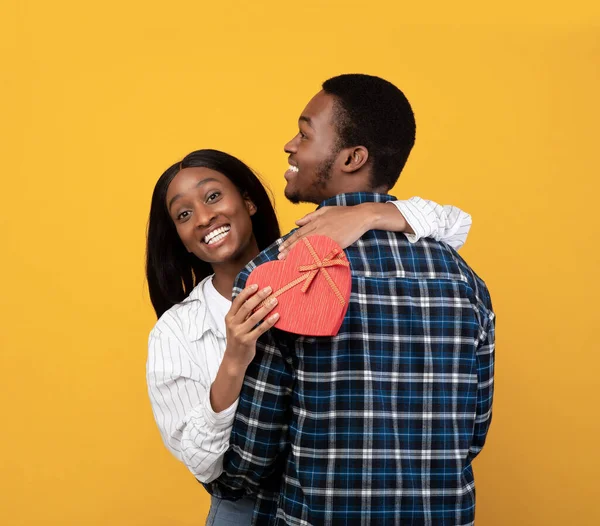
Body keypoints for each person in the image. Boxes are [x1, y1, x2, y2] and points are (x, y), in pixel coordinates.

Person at [206, 75, 495, 526]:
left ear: (352, 157)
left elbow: (258, 449)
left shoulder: (276, 273)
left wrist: (226, 481)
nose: (290, 145)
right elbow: (471, 434)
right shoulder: (466, 283)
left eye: (304, 133)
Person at [146, 150, 473, 525]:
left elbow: (455, 224)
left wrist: (369, 214)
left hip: (321, 499)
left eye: (213, 196)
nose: (204, 217)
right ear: (181, 239)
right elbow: (204, 465)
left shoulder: (315, 258)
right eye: (184, 214)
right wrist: (234, 359)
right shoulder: (176, 331)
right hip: (244, 507)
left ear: (248, 202)